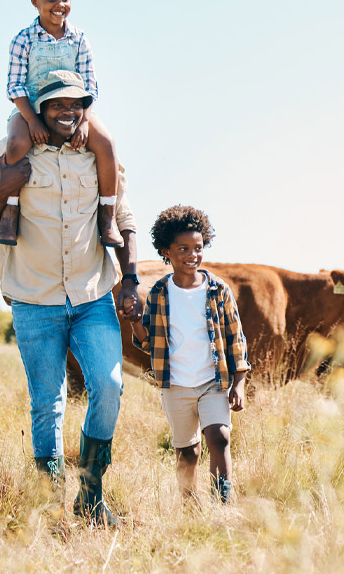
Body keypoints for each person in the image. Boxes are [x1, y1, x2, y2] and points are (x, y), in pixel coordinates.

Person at [0, 70, 142, 526]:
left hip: (91, 297)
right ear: (39, 111)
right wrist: (8, 186)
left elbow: (123, 218)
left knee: (109, 387)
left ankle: (90, 491)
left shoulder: (97, 157)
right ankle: (49, 506)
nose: (67, 112)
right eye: (56, 106)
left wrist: (130, 278)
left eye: (75, 105)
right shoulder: (14, 151)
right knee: (48, 404)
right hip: (33, 298)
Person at [0, 0, 121, 249]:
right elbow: (15, 86)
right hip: (32, 109)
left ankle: (107, 215)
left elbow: (90, 84)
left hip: (73, 109)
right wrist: (30, 120)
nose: (59, 5)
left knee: (106, 143)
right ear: (35, 2)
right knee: (16, 144)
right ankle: (10, 211)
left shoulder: (79, 39)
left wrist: (84, 122)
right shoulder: (23, 39)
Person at [126, 205, 249, 503]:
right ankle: (190, 506)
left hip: (213, 381)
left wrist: (240, 382)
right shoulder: (158, 293)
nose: (192, 254)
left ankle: (222, 503)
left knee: (219, 436)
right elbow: (148, 342)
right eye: (183, 248)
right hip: (176, 384)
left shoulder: (218, 290)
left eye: (198, 247)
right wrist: (134, 321)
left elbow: (236, 338)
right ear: (166, 251)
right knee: (187, 451)